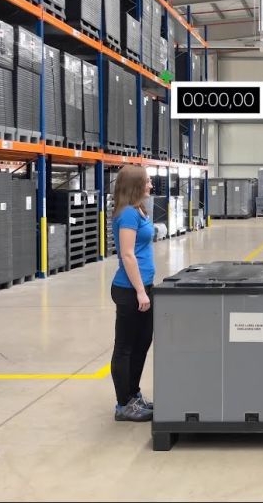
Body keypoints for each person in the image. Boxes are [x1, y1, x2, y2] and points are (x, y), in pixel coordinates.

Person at [110, 165, 156, 422]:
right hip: (130, 290)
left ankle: (133, 394)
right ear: (136, 185)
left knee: (142, 343)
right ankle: (123, 404)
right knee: (125, 347)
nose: (150, 185)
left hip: (143, 287)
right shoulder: (128, 213)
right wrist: (140, 291)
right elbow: (128, 255)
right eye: (147, 181)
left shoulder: (139, 209)